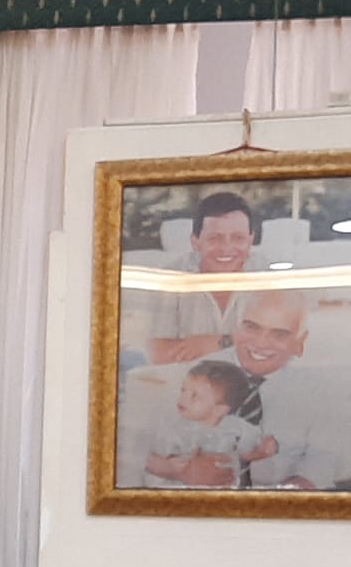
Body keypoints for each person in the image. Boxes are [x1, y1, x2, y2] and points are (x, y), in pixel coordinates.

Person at [171, 288, 346, 490]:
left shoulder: (320, 392)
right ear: (236, 329)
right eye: (252, 327)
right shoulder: (192, 375)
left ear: (300, 342)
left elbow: (323, 463)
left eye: (279, 334)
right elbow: (157, 449)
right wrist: (180, 471)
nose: (261, 343)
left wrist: (279, 497)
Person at [144, 191, 264, 366]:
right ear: (195, 241)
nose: (226, 248)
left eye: (238, 238)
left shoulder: (268, 276)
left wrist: (219, 342)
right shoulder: (171, 279)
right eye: (215, 238)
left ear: (251, 240)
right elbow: (158, 354)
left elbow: (285, 345)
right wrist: (244, 343)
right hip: (187, 380)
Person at [143, 359, 275, 488]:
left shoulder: (236, 427)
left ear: (219, 410)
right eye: (183, 390)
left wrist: (262, 451)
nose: (183, 398)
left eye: (194, 396)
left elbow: (244, 452)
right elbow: (154, 462)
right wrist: (173, 467)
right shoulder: (175, 428)